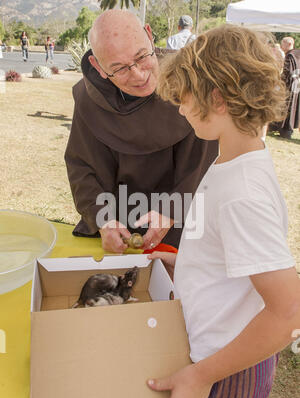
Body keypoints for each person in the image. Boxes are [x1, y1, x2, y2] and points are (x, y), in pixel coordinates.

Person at [146, 25, 300, 398]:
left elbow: (289, 312)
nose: (179, 107)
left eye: (184, 97)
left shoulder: (241, 193)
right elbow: (235, 262)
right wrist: (187, 266)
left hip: (227, 371)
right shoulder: (231, 161)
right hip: (212, 357)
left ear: (217, 98)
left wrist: (200, 376)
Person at [64, 10, 218, 253]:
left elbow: (204, 163)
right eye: (120, 69)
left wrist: (170, 213)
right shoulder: (88, 98)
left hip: (185, 220)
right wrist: (103, 220)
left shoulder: (191, 80)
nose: (138, 75)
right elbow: (82, 167)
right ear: (98, 66)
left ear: (149, 34)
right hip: (119, 224)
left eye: (142, 56)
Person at [278, 37, 300, 139]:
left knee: (286, 106)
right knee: (294, 106)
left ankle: (286, 130)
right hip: (297, 85)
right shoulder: (298, 54)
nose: (281, 47)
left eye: (282, 44)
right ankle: (288, 129)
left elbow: (287, 72)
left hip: (290, 86)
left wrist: (279, 82)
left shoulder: (290, 56)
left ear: (288, 44)